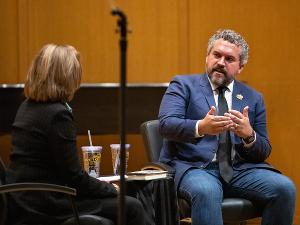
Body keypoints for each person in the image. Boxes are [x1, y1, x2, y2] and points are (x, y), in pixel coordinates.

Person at [158, 29, 296, 225]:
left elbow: (263, 150)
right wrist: (201, 127)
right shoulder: (183, 85)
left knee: (284, 188)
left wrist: (249, 136)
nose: (221, 62)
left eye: (229, 59)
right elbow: (166, 124)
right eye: (216, 55)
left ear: (240, 67)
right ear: (207, 57)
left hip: (240, 170)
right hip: (194, 167)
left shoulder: (253, 97)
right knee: (207, 190)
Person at [5, 44, 145, 225]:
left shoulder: (26, 107)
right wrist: (110, 189)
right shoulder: (57, 114)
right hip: (48, 203)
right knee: (132, 207)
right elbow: (74, 178)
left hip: (22, 200)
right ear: (67, 77)